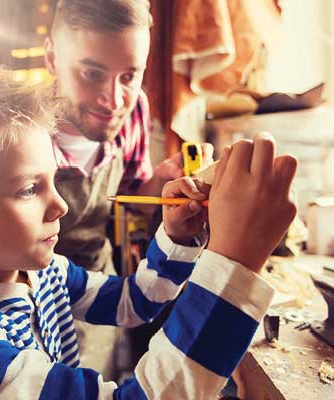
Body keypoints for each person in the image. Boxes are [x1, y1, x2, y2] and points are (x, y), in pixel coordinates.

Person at [0, 66, 297, 399]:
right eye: (27, 189)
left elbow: (136, 302)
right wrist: (234, 261)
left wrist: (178, 237)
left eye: (53, 180)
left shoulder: (40, 274)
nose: (61, 205)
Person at [44, 0, 212, 376]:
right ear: (52, 58)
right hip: (35, 299)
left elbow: (133, 198)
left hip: (105, 290)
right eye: (91, 73)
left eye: (130, 76)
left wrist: (164, 184)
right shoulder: (20, 133)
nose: (114, 99)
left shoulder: (134, 110)